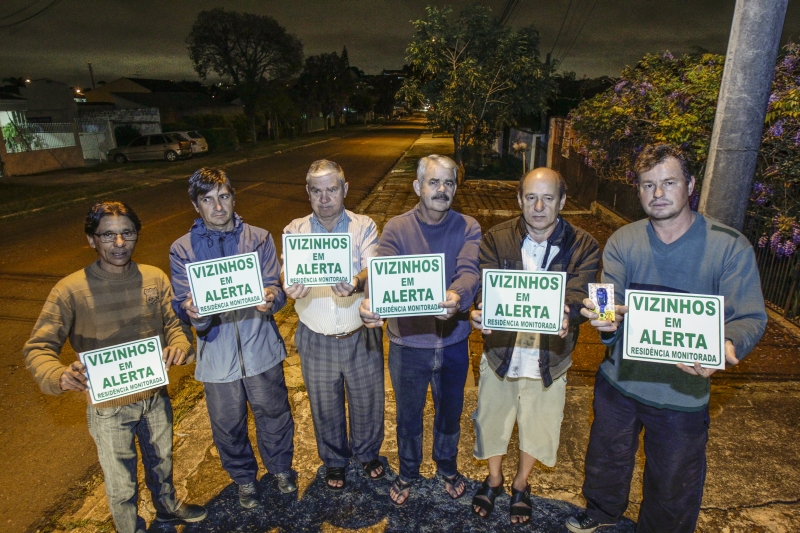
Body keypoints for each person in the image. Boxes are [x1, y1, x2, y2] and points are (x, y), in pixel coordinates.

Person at [565, 144, 768, 533]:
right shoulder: (624, 240)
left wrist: (727, 345)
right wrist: (603, 322)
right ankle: (602, 510)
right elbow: (609, 301)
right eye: (647, 185)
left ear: (690, 185)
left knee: (674, 481)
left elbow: (748, 316)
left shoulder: (729, 246)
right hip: (619, 381)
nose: (657, 194)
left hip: (683, 390)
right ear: (638, 190)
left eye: (668, 182)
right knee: (605, 458)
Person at [23, 201, 206, 533]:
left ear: (136, 235)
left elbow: (175, 325)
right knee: (121, 483)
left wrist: (180, 345)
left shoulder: (154, 277)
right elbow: (38, 347)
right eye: (108, 235)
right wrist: (59, 375)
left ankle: (167, 509)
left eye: (127, 233)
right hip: (109, 409)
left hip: (154, 397)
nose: (119, 244)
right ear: (91, 240)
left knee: (162, 462)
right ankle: (129, 528)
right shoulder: (69, 290)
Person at [470, 168, 600, 523]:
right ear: (519, 200)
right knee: (492, 420)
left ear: (561, 201)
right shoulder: (496, 238)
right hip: (501, 353)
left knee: (538, 424)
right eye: (531, 197)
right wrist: (480, 310)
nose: (539, 206)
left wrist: (568, 313)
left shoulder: (584, 244)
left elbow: (580, 290)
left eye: (547, 198)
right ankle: (494, 479)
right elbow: (486, 283)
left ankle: (521, 483)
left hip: (549, 356)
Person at [170, 168, 296, 509]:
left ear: (233, 198)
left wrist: (271, 296)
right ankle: (243, 479)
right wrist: (192, 310)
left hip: (261, 349)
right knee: (227, 425)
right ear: (196, 206)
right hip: (216, 357)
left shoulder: (258, 237)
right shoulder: (182, 249)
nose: (218, 206)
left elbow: (275, 285)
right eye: (207, 200)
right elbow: (181, 300)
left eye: (223, 197)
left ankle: (281, 468)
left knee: (275, 413)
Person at [359, 154, 481, 506]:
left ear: (456, 187)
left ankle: (447, 465)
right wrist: (371, 303)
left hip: (454, 341)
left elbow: (470, 269)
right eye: (434, 182)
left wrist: (457, 295)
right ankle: (409, 470)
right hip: (407, 342)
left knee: (449, 412)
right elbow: (383, 271)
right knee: (408, 415)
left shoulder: (468, 225)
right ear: (417, 186)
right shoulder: (397, 227)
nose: (442, 190)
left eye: (449, 183)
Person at [282, 159, 385, 491]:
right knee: (324, 403)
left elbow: (373, 268)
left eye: (331, 189)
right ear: (308, 193)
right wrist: (287, 283)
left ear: (345, 189)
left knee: (368, 400)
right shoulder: (294, 230)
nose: (324, 198)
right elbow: (287, 271)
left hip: (360, 332)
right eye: (317, 191)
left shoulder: (364, 225)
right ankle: (335, 461)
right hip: (316, 335)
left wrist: (357, 281)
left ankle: (368, 453)